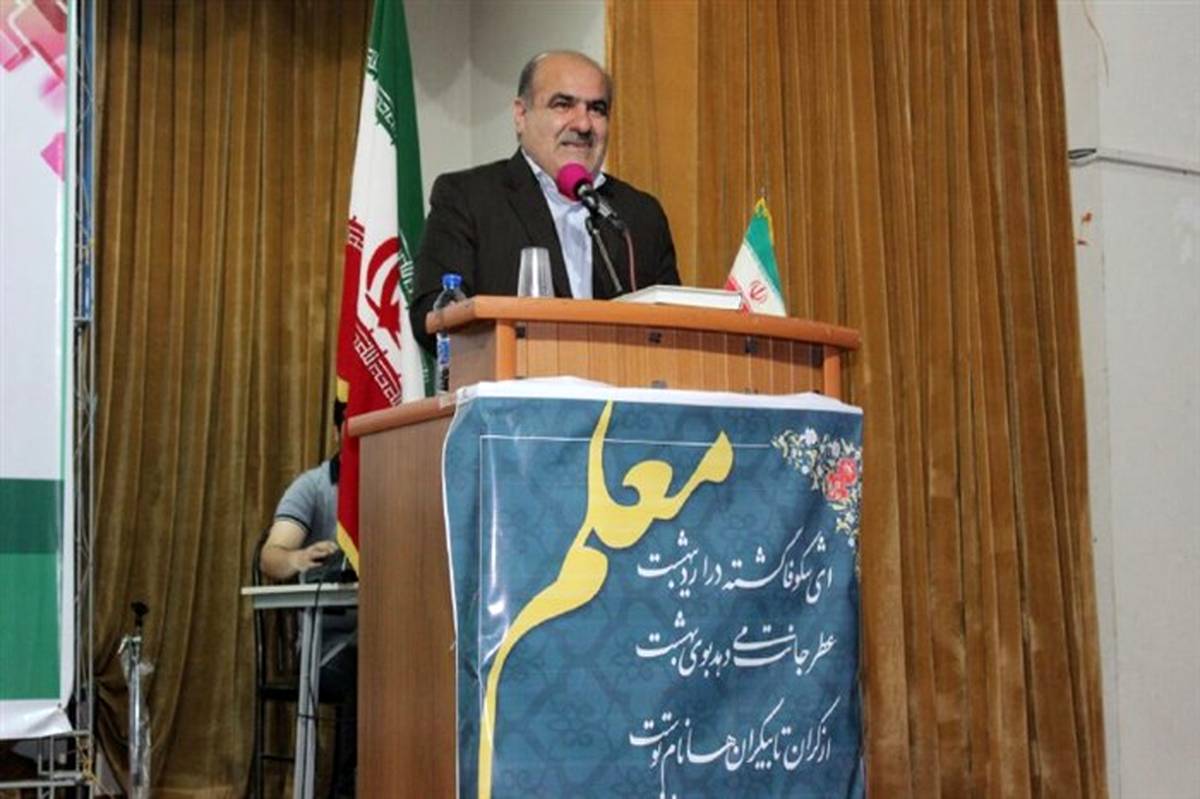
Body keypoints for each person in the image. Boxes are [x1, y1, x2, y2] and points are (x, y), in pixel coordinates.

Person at [409, 50, 681, 353]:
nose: (583, 124)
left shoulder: (639, 215)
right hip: (514, 380)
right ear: (521, 115)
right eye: (563, 104)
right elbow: (431, 316)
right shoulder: (468, 197)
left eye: (597, 109)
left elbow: (677, 331)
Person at [259, 407, 356, 798]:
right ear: (338, 430)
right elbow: (271, 557)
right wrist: (300, 558)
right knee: (366, 667)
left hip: (385, 636)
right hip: (325, 650)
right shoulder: (313, 487)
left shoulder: (393, 480)